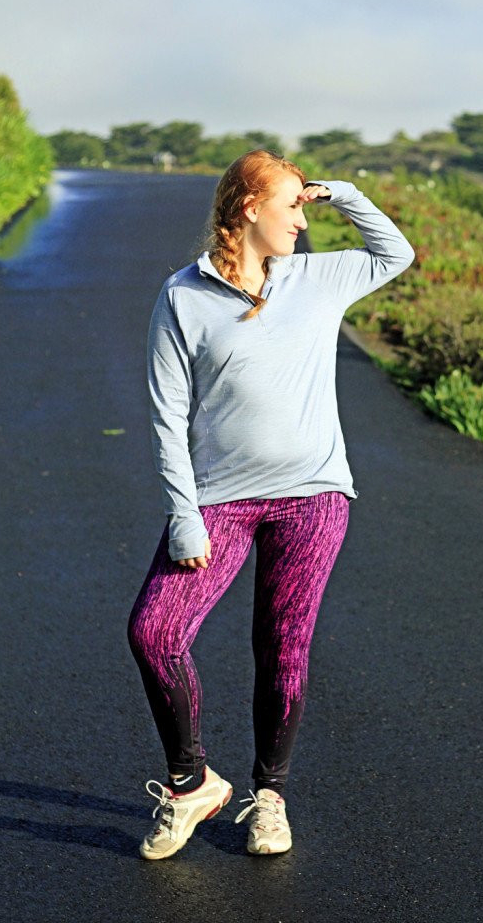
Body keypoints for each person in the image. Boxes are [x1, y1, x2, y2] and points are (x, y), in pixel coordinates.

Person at [127, 149, 414, 859]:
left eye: (305, 205)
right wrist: (184, 512)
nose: (301, 219)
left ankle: (269, 797)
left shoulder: (315, 277)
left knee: (281, 647)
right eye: (291, 205)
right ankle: (192, 783)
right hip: (220, 498)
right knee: (154, 632)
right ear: (249, 208)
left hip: (313, 496)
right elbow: (166, 413)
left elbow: (394, 251)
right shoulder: (184, 293)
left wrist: (339, 191)